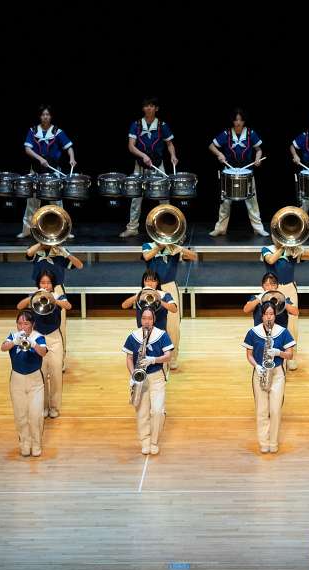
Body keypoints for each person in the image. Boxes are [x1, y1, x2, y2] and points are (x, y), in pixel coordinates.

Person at [16, 271, 71, 418]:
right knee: (41, 374)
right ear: (38, 284)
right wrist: (33, 297)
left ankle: (55, 407)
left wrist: (52, 299)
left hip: (54, 338)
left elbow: (68, 305)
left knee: (56, 373)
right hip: (38, 338)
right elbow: (19, 306)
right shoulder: (34, 296)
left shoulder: (58, 295)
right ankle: (43, 406)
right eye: (42, 282)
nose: (45, 285)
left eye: (48, 283)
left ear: (52, 284)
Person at [18, 105, 77, 239]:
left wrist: (72, 158)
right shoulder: (33, 131)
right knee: (32, 201)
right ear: (40, 116)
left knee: (56, 201)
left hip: (53, 170)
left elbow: (69, 147)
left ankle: (64, 230)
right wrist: (40, 159)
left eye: (48, 114)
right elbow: (27, 149)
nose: (45, 117)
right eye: (43, 114)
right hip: (36, 170)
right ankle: (27, 230)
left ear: (51, 116)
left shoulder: (57, 131)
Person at [242, 303, 295, 454]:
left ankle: (273, 442)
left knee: (275, 410)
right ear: (262, 316)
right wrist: (257, 366)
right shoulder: (253, 332)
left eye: (271, 314)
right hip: (260, 372)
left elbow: (290, 355)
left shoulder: (283, 332)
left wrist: (279, 353)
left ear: (275, 315)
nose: (269, 317)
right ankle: (264, 443)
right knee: (261, 410)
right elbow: (249, 355)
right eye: (266, 314)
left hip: (277, 374)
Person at [122, 97, 178, 238]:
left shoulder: (162, 125)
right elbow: (131, 146)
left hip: (157, 164)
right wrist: (143, 156)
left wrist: (173, 156)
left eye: (151, 106)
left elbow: (170, 144)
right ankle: (132, 228)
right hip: (140, 165)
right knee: (136, 197)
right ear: (143, 108)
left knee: (164, 196)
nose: (148, 108)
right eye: (146, 106)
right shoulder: (136, 125)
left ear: (156, 108)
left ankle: (168, 227)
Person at [209, 108, 268, 237]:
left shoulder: (251, 133)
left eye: (240, 120)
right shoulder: (226, 133)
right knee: (225, 201)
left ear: (244, 121)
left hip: (247, 171)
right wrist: (219, 154)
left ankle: (258, 228)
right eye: (236, 120)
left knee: (252, 201)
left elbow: (258, 149)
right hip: (229, 171)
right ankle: (220, 228)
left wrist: (258, 159)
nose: (238, 122)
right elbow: (211, 146)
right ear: (233, 121)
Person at [123, 309, 174, 455]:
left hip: (157, 377)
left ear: (154, 320)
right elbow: (129, 358)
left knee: (157, 410)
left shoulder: (161, 335)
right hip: (141, 379)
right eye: (144, 318)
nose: (146, 321)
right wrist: (134, 375)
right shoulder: (133, 336)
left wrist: (154, 360)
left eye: (149, 319)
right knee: (142, 413)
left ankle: (154, 442)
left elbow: (168, 356)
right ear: (141, 320)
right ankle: (145, 442)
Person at [262, 239, 309, 370]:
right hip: (272, 290)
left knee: (292, 323)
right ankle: (270, 354)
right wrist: (283, 247)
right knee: (271, 321)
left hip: (289, 289)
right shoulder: (267, 249)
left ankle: (291, 356)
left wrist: (300, 249)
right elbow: (271, 260)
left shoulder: (291, 251)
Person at [27, 242, 83, 368]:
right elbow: (28, 253)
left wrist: (66, 253)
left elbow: (79, 265)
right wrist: (41, 242)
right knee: (37, 324)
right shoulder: (36, 251)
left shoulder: (60, 253)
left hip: (57, 289)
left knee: (60, 326)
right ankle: (39, 357)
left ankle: (60, 359)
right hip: (39, 289)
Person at [0, 310, 48, 457]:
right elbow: (3, 347)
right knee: (20, 415)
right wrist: (14, 342)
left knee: (35, 415)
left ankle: (36, 444)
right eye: (19, 323)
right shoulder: (13, 336)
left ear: (32, 324)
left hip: (35, 381)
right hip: (17, 380)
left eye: (26, 323)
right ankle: (25, 444)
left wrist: (33, 344)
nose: (22, 327)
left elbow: (43, 352)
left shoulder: (38, 337)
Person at [142, 240, 195, 370]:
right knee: (149, 322)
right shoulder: (148, 246)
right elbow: (147, 256)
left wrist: (179, 248)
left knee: (173, 325)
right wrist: (160, 246)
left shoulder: (173, 248)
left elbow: (193, 256)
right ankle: (150, 356)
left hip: (169, 286)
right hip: (151, 286)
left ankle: (172, 358)